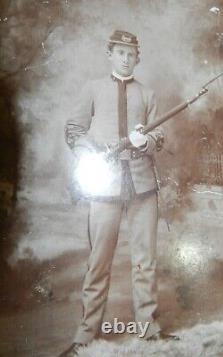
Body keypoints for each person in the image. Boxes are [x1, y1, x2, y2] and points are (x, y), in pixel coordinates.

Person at [59, 30, 178, 357]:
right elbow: (74, 130)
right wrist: (88, 155)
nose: (126, 58)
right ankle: (86, 335)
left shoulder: (148, 94)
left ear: (137, 57)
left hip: (142, 184)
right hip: (105, 184)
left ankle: (148, 329)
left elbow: (161, 135)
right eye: (120, 52)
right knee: (98, 261)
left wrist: (147, 141)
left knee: (145, 260)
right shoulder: (93, 89)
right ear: (110, 54)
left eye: (131, 53)